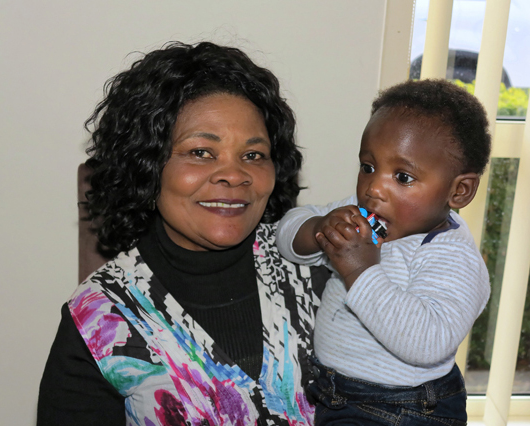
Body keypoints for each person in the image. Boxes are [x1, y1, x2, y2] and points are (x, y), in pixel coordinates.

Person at [37, 41, 330, 426]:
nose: (235, 175)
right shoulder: (100, 318)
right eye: (201, 152)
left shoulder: (317, 270)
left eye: (253, 155)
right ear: (147, 164)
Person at [276, 79, 491, 425]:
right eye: (368, 167)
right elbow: (285, 233)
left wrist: (359, 271)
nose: (374, 188)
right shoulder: (361, 214)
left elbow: (427, 342)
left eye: (403, 177)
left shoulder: (453, 257)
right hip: (332, 392)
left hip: (406, 408)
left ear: (459, 191)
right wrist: (320, 228)